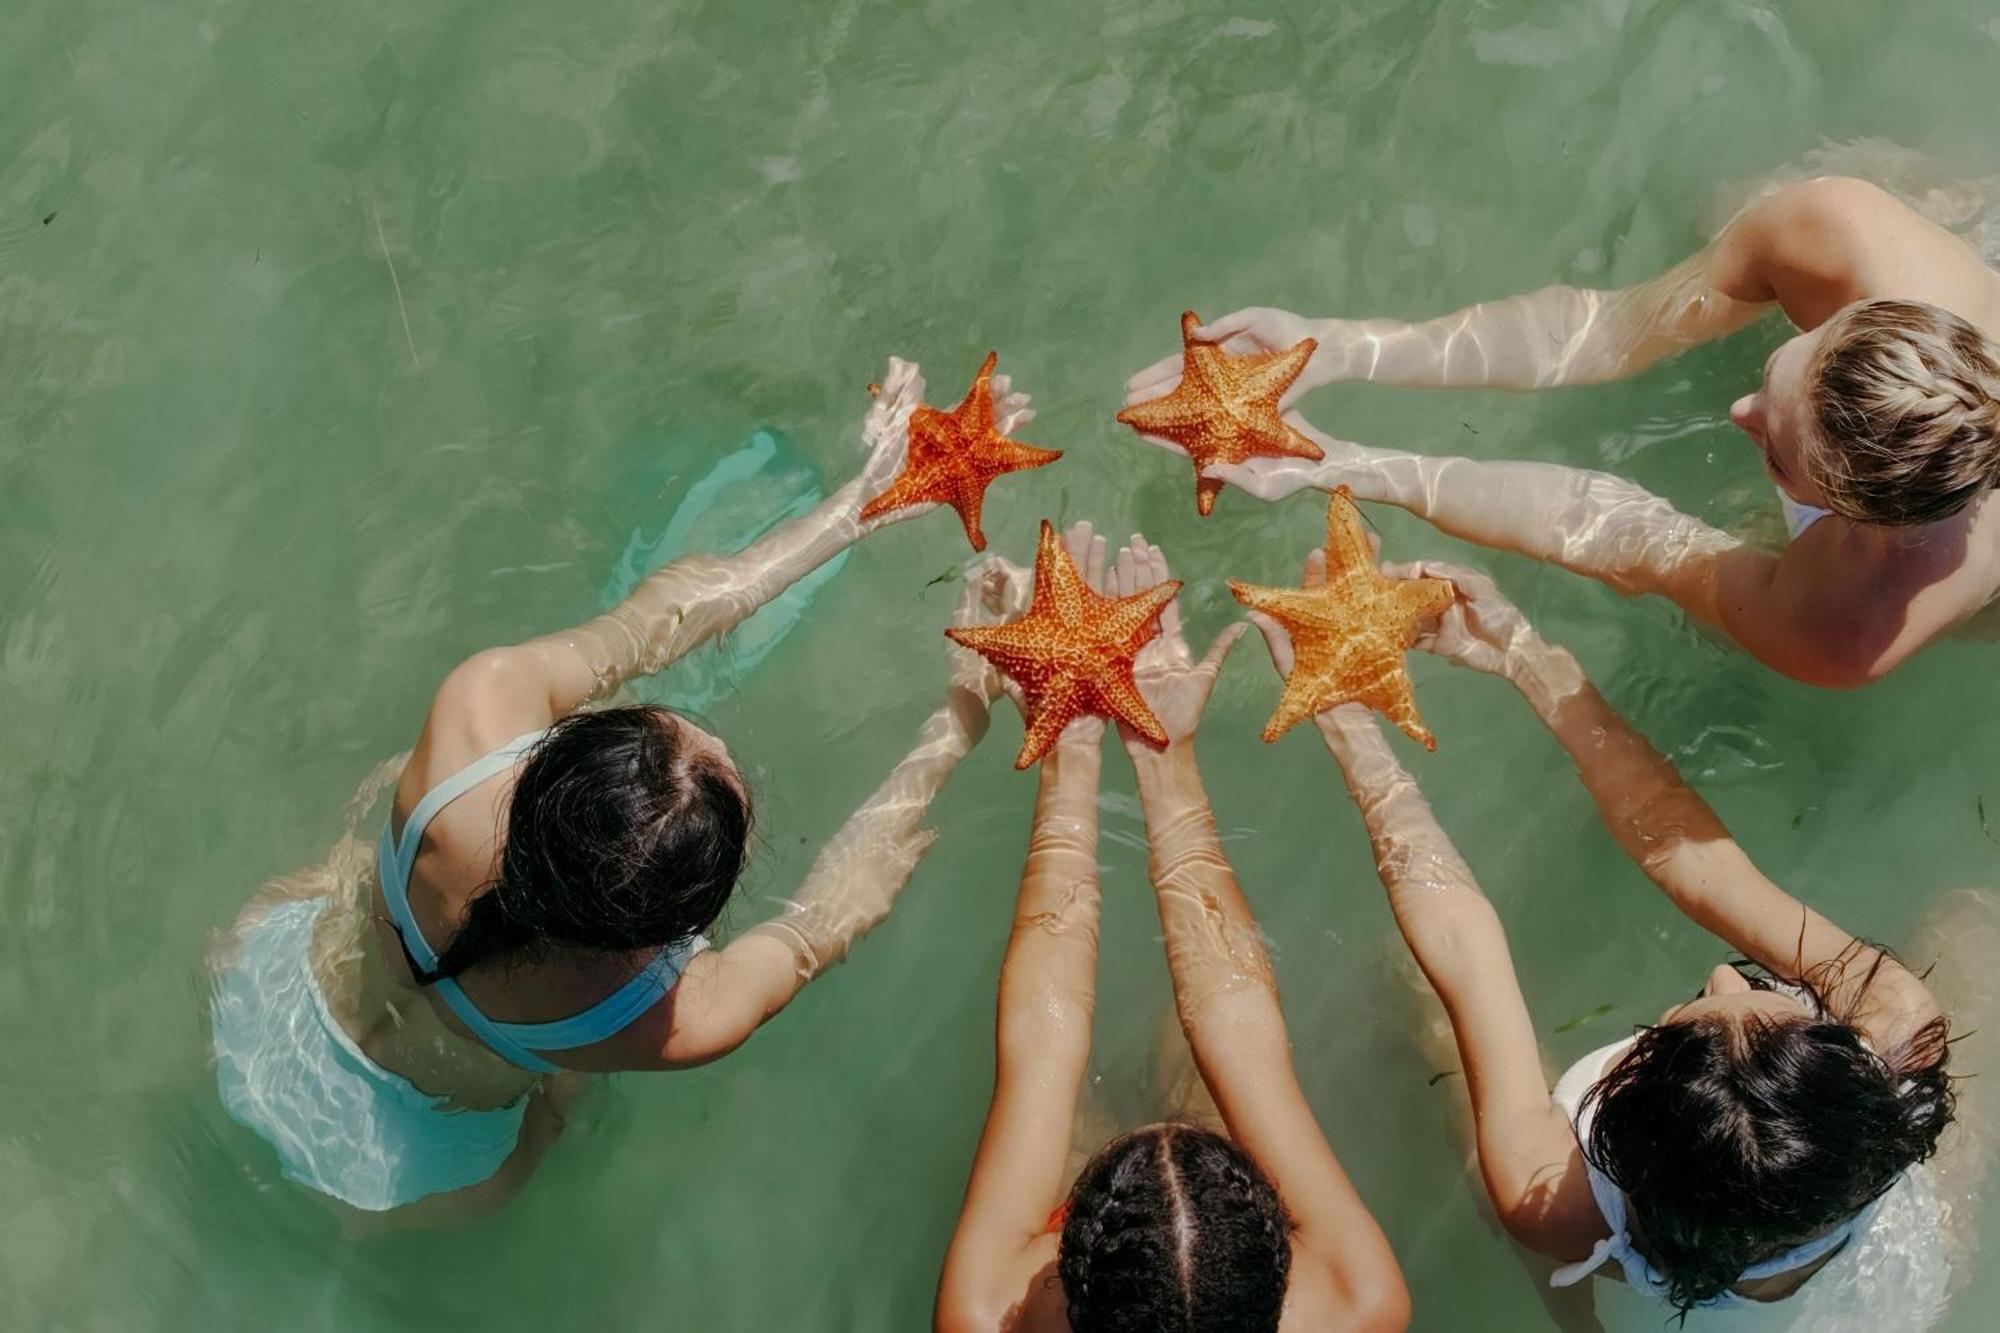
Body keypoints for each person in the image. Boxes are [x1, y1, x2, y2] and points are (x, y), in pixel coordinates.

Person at [209, 359, 1034, 1216]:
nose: (708, 731)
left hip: (273, 994)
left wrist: (864, 499)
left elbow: (646, 629)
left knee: (368, 843)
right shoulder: (671, 1018)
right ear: (675, 926)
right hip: (427, 1155)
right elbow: (831, 911)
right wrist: (960, 714)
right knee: (560, 1106)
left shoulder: (477, 706)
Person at [1242, 546, 1988, 1324]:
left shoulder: (1555, 1198)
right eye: (1763, 999)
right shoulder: (1898, 1030)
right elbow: (1692, 859)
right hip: (1884, 1278)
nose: (1728, 975)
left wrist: (1345, 721)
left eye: (1685, 1020)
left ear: (1627, 1139)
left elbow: (1465, 948)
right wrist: (1520, 651)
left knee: (1439, 1025)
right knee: (1971, 920)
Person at [1126, 174, 2000, 687]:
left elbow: (1618, 529)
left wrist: (1348, 463)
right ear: (1854, 315)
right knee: (1726, 207)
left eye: (1772, 448)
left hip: (1955, 574)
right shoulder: (1839, 230)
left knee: (1714, 612)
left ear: (1862, 518)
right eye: (1777, 375)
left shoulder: (1848, 625)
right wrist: (1343, 347)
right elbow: (1614, 331)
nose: (1734, 413)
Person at [935, 524, 1409, 1333]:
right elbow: (1241, 1036)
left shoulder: (989, 1315)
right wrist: (1165, 756)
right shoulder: (1356, 1303)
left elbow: (1041, 1043)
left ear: (1066, 1266)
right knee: (1197, 1060)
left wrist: (1070, 747)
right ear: (1281, 1261)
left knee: (1079, 1103)